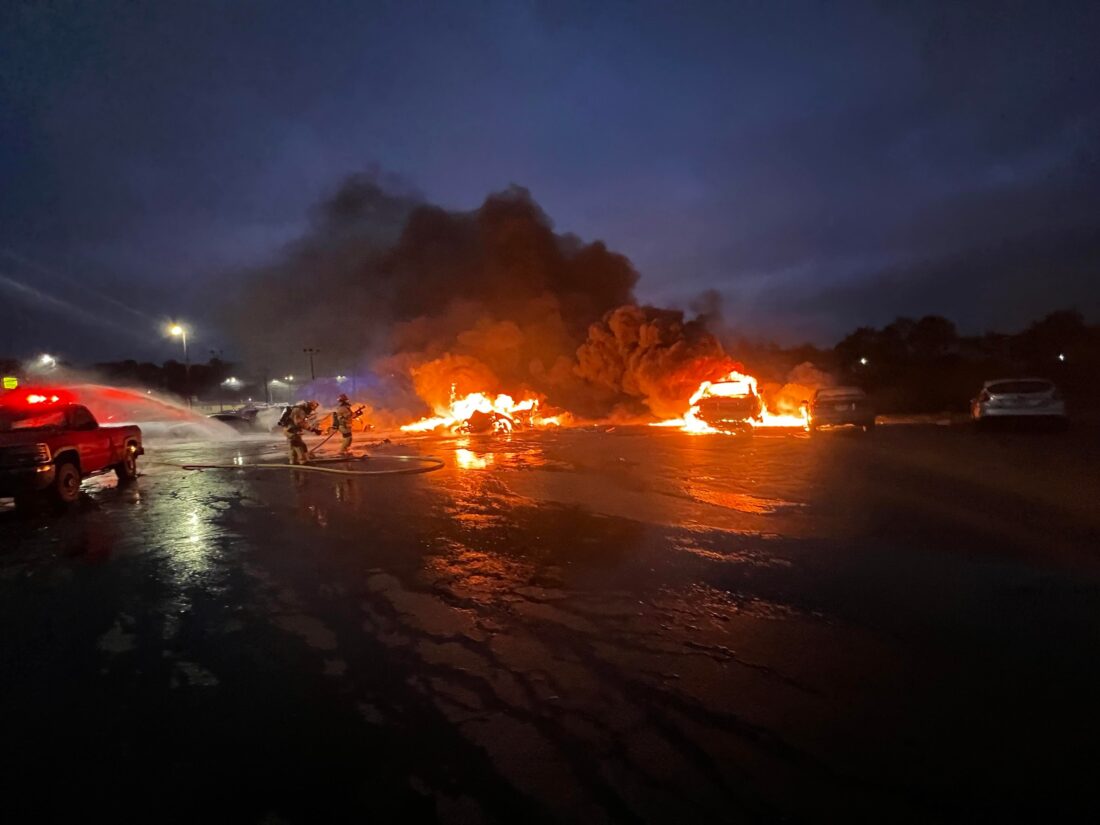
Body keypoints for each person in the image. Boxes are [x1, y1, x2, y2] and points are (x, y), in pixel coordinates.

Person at [284, 400, 320, 465]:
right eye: (311, 409)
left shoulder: (297, 409)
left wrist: (313, 429)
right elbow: (300, 423)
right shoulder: (300, 411)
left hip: (288, 429)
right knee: (299, 445)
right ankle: (303, 461)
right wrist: (313, 430)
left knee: (293, 445)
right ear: (308, 406)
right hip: (293, 430)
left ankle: (293, 461)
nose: (310, 411)